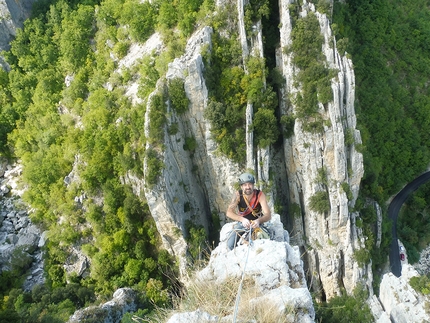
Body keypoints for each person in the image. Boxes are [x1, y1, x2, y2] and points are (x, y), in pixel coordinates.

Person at [226, 172, 272, 250]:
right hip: (242, 223)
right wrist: (242, 219)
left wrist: (258, 221)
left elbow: (268, 215)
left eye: (250, 184)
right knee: (230, 244)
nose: (248, 187)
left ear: (253, 185)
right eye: (245, 185)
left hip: (256, 224)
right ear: (241, 186)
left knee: (256, 242)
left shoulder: (259, 195)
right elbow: (229, 212)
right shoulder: (238, 195)